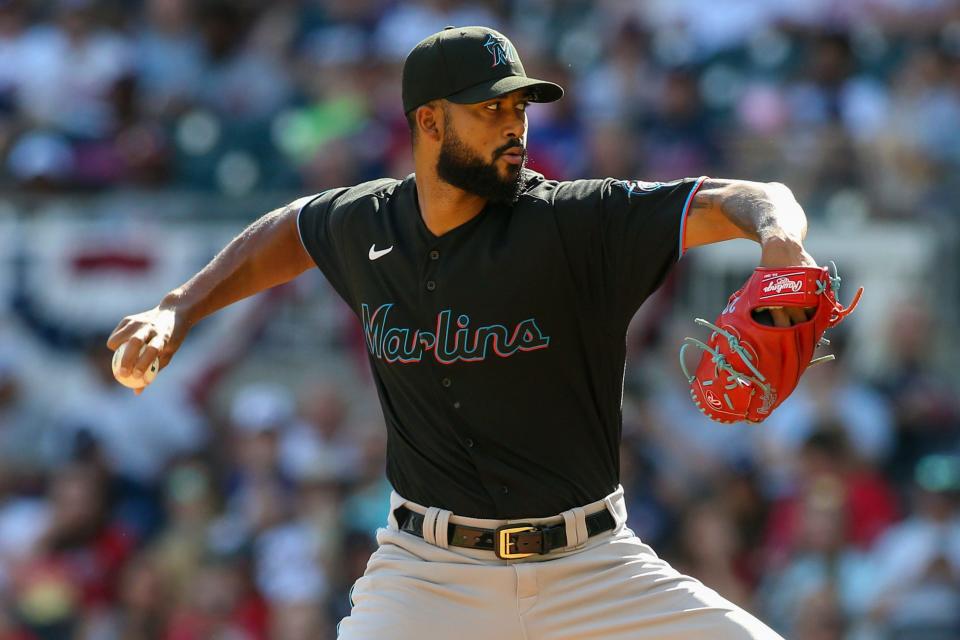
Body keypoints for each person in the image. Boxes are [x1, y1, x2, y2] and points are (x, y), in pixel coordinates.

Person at [108, 26, 818, 640]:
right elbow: (289, 230)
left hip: (591, 566)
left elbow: (748, 197)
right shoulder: (368, 224)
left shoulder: (576, 223)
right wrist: (178, 307)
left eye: (520, 108)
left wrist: (780, 237)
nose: (514, 126)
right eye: (490, 110)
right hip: (428, 575)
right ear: (430, 122)